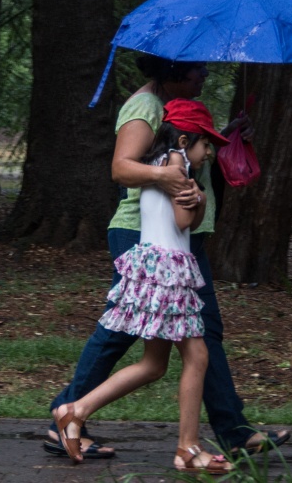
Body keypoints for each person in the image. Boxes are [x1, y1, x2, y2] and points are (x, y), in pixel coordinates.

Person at [45, 56, 290, 459]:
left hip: (181, 240)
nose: (205, 76)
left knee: (202, 333)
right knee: (121, 332)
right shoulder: (145, 107)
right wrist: (168, 176)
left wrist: (221, 137)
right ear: (175, 71)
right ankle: (68, 415)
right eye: (198, 70)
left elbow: (184, 147)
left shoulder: (179, 121)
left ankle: (230, 431)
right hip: (145, 238)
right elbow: (122, 168)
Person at [53, 99, 234, 473]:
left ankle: (75, 410)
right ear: (185, 141)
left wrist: (195, 197)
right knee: (197, 357)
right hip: (169, 271)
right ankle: (187, 449)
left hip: (156, 266)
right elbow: (185, 221)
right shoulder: (177, 165)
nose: (208, 153)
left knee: (153, 365)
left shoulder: (156, 162)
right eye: (205, 145)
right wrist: (199, 197)